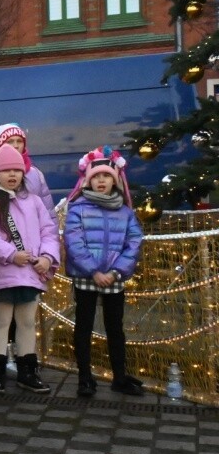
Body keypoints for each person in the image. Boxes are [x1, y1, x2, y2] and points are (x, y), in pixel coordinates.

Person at [0, 144, 59, 395]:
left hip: (30, 273)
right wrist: (10, 254)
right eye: (6, 170)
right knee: (0, 322)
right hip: (3, 273)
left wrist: (47, 256)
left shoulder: (34, 201)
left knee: (27, 322)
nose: (12, 175)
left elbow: (49, 231)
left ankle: (27, 372)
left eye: (16, 170)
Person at [63, 147, 144, 398]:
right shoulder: (78, 208)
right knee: (84, 327)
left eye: (106, 176)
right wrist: (95, 270)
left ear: (115, 180)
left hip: (115, 278)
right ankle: (85, 378)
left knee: (115, 328)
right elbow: (74, 243)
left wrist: (117, 271)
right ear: (88, 180)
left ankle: (119, 377)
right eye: (96, 176)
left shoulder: (125, 212)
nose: (101, 181)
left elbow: (134, 242)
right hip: (87, 277)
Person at [0, 124, 54, 214]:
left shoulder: (35, 174)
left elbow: (48, 212)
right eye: (10, 141)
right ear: (0, 145)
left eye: (19, 141)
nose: (15, 146)